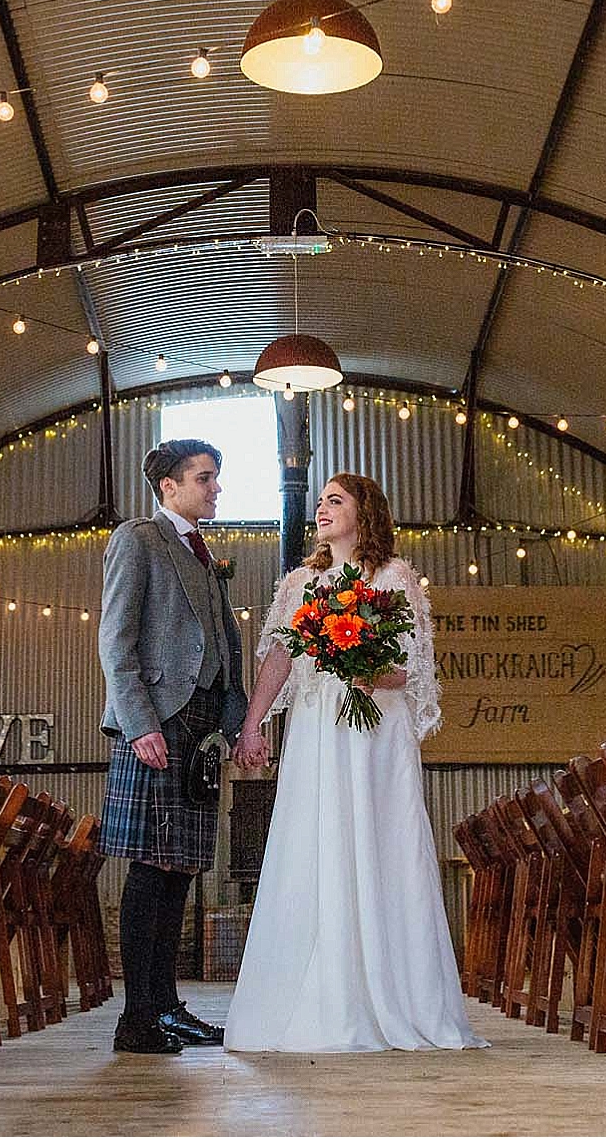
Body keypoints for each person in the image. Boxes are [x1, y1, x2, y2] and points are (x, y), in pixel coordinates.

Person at [223, 473, 486, 1053]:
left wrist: (365, 668)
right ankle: (313, 993)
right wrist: (253, 723)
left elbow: (412, 668)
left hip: (375, 732)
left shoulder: (394, 577)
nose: (321, 509)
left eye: (334, 501)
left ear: (364, 512)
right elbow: (279, 659)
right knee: (314, 843)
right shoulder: (299, 582)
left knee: (380, 843)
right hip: (317, 730)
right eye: (318, 501)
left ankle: (395, 997)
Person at [97, 439, 248, 1053]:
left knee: (180, 869)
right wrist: (140, 725)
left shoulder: (203, 555)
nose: (216, 489)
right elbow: (116, 641)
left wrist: (241, 727)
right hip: (157, 726)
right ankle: (136, 1019)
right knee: (151, 868)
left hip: (200, 731)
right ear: (169, 486)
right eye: (205, 479)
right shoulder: (139, 539)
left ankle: (166, 1007)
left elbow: (224, 656)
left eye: (216, 478)